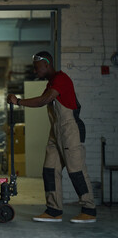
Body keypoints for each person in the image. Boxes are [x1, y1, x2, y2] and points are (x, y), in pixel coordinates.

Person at [7, 51, 96, 223]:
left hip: (70, 130)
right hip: (56, 131)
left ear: (47, 64)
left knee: (76, 170)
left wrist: (18, 101)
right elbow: (44, 100)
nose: (35, 71)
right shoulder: (51, 83)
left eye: (37, 67)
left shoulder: (61, 79)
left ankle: (89, 209)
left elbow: (43, 101)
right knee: (49, 170)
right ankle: (54, 210)